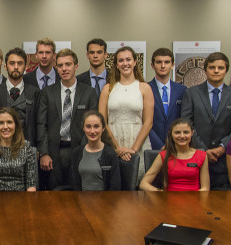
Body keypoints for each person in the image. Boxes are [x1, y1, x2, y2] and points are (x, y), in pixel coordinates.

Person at [181, 52, 231, 190]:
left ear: (226, 70)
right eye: (212, 67)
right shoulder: (191, 93)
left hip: (225, 159)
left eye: (220, 68)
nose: (216, 71)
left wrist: (222, 146)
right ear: (205, 70)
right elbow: (186, 125)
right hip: (196, 156)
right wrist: (204, 151)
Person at [37, 49, 98, 189]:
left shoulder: (89, 92)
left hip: (79, 150)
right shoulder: (47, 92)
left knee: (77, 195)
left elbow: (93, 126)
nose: (64, 69)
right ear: (56, 67)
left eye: (68, 64)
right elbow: (41, 124)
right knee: (53, 197)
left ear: (76, 66)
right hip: (53, 153)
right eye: (60, 65)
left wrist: (84, 152)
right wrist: (44, 153)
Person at [98, 46, 153, 184]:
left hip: (138, 144)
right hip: (112, 143)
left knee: (138, 186)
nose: (125, 63)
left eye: (128, 59)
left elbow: (148, 122)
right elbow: (102, 121)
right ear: (116, 65)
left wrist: (133, 149)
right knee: (113, 185)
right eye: (121, 60)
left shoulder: (144, 88)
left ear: (135, 62)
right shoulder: (107, 89)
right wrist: (117, 148)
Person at [0, 47, 40, 147]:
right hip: (0, 148)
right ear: (5, 66)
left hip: (28, 147)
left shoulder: (35, 92)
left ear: (26, 67)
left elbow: (39, 124)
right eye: (12, 63)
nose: (15, 67)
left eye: (20, 63)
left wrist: (39, 149)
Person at [0, 108, 38, 192]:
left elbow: (31, 184)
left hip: (21, 200)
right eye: (1, 123)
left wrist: (27, 204)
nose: (5, 127)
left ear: (16, 125)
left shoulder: (27, 148)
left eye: (9, 122)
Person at [139, 118, 210, 191]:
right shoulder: (163, 155)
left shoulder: (202, 155)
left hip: (195, 200)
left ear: (192, 133)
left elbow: (205, 188)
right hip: (169, 200)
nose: (182, 136)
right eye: (177, 132)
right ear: (170, 134)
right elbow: (143, 184)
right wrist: (161, 194)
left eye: (186, 132)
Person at [71, 111, 121, 191]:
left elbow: (115, 187)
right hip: (80, 201)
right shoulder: (76, 153)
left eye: (96, 126)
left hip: (104, 201)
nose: (92, 131)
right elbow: (75, 184)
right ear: (83, 128)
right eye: (88, 126)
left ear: (103, 128)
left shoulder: (110, 154)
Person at [147, 48, 186, 150]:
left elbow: (185, 119)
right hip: (151, 146)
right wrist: (160, 145)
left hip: (177, 145)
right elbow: (143, 121)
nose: (163, 66)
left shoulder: (183, 90)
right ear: (152, 65)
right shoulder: (145, 89)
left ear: (172, 65)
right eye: (159, 62)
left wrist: (175, 143)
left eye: (167, 62)